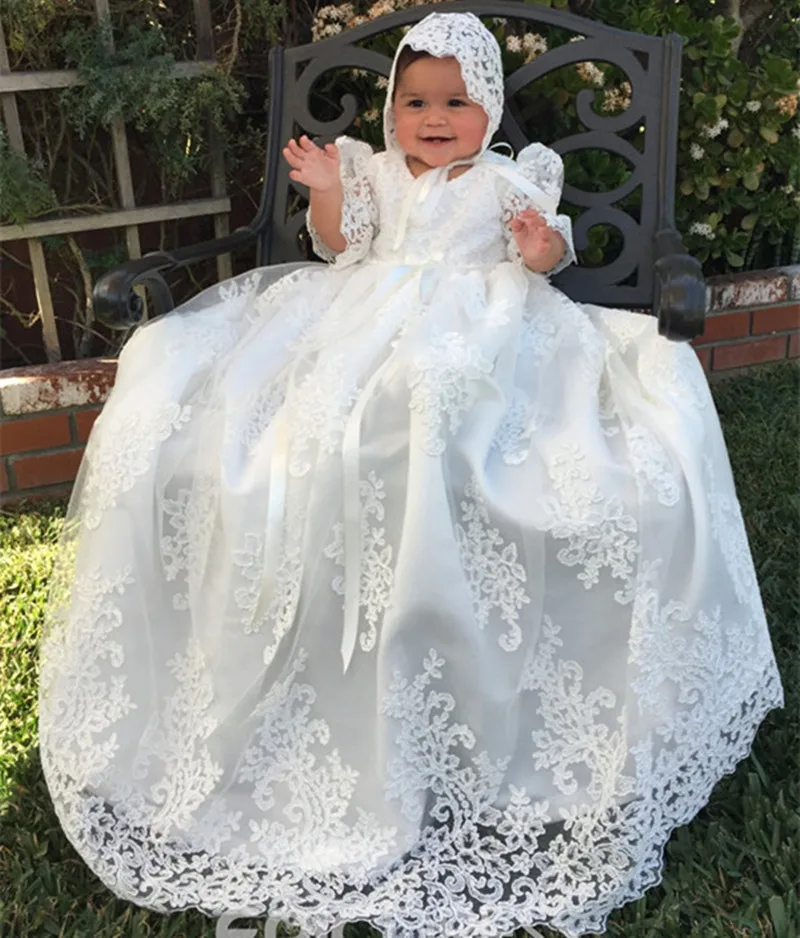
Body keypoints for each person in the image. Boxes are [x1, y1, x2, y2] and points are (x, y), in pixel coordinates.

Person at [39, 12, 783, 938]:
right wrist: (325, 191)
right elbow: (343, 245)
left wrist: (536, 245)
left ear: (489, 110)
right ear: (392, 110)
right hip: (358, 318)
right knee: (279, 411)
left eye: (456, 103)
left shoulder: (510, 177)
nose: (434, 119)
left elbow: (548, 256)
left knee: (435, 402)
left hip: (479, 328)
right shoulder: (378, 173)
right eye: (415, 101)